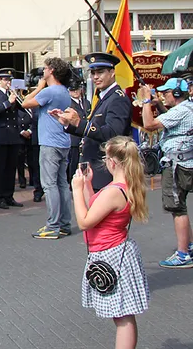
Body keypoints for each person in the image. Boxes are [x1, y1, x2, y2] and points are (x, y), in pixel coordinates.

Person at [73, 136, 149, 349]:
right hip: (116, 250)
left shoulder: (114, 191)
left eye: (106, 157)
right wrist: (88, 185)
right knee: (122, 315)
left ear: (113, 162)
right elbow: (95, 208)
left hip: (110, 253)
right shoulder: (123, 186)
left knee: (123, 316)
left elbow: (85, 222)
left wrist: (77, 190)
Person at [54, 52, 132, 191]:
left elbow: (113, 134)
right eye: (93, 73)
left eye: (100, 72)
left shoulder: (117, 98)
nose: (96, 77)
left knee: (100, 212)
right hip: (92, 168)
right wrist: (68, 124)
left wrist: (79, 123)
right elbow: (93, 128)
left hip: (105, 171)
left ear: (112, 72)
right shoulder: (103, 97)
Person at [138, 77, 193, 268]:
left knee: (177, 208)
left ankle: (183, 254)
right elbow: (171, 119)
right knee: (180, 206)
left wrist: (146, 101)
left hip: (177, 165)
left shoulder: (180, 110)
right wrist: (158, 105)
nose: (163, 95)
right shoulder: (187, 108)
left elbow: (149, 124)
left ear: (176, 94)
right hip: (184, 162)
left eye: (166, 93)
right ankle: (189, 245)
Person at [22, 57, 74, 239]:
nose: (42, 72)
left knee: (49, 184)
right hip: (63, 141)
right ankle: (65, 223)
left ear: (51, 71)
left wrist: (38, 87)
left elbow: (25, 103)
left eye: (44, 69)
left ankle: (52, 226)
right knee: (62, 184)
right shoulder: (64, 91)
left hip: (50, 143)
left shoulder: (49, 91)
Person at [0, 69, 25, 210]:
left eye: (9, 80)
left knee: (11, 168)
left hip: (13, 135)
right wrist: (8, 102)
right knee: (0, 168)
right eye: (5, 80)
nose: (7, 82)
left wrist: (19, 96)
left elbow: (23, 109)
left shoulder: (13, 94)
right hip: (0, 136)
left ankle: (9, 196)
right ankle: (0, 197)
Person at [67, 78, 90, 182]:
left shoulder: (86, 102)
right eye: (72, 90)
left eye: (77, 89)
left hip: (86, 136)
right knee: (73, 162)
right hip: (74, 137)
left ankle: (85, 180)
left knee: (85, 161)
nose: (75, 92)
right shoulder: (68, 104)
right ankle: (73, 182)